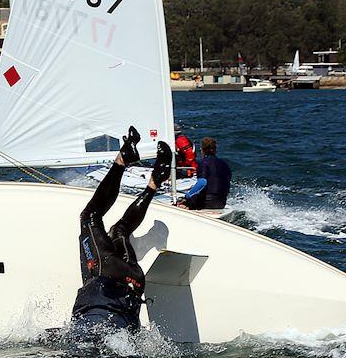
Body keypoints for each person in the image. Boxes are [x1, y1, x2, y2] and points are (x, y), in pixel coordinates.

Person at [71, 126, 173, 331]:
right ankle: (130, 164)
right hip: (122, 279)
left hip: (134, 279)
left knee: (113, 228)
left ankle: (150, 179)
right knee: (98, 221)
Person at [181, 137, 231, 210]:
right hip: (221, 202)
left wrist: (188, 195)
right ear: (215, 150)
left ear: (202, 150)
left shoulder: (203, 163)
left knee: (183, 201)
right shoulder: (224, 164)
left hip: (207, 203)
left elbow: (202, 182)